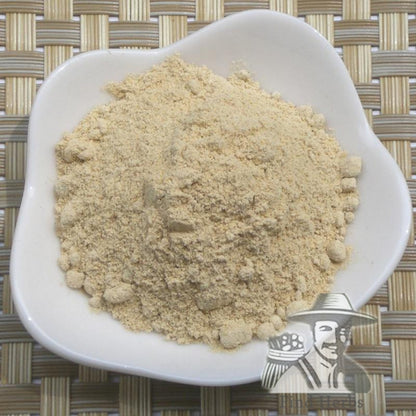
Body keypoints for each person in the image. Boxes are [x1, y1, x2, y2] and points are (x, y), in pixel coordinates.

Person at [263, 293, 376, 393]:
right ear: (312, 329)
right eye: (326, 328)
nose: (335, 339)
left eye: (342, 331)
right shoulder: (293, 364)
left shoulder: (355, 373)